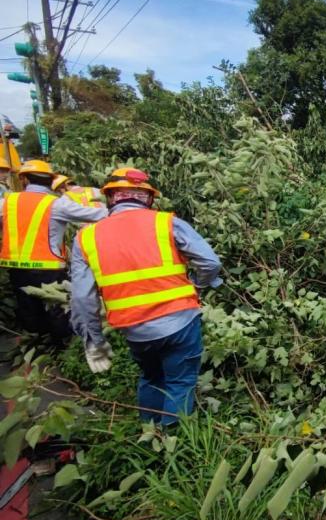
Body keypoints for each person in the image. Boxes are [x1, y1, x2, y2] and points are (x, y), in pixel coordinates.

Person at [70, 167, 223, 428]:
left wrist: (94, 340)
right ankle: (173, 441)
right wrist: (196, 285)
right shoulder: (166, 222)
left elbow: (83, 299)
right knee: (180, 382)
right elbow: (210, 262)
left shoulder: (86, 237)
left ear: (110, 198)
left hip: (135, 330)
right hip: (181, 322)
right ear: (148, 198)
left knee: (151, 378)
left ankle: (148, 433)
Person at [0, 159, 107, 340]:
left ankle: (38, 341)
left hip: (16, 268)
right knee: (57, 311)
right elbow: (97, 215)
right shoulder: (56, 204)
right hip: (48, 269)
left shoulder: (7, 201)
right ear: (51, 180)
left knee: (28, 308)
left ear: (24, 179)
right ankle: (62, 346)